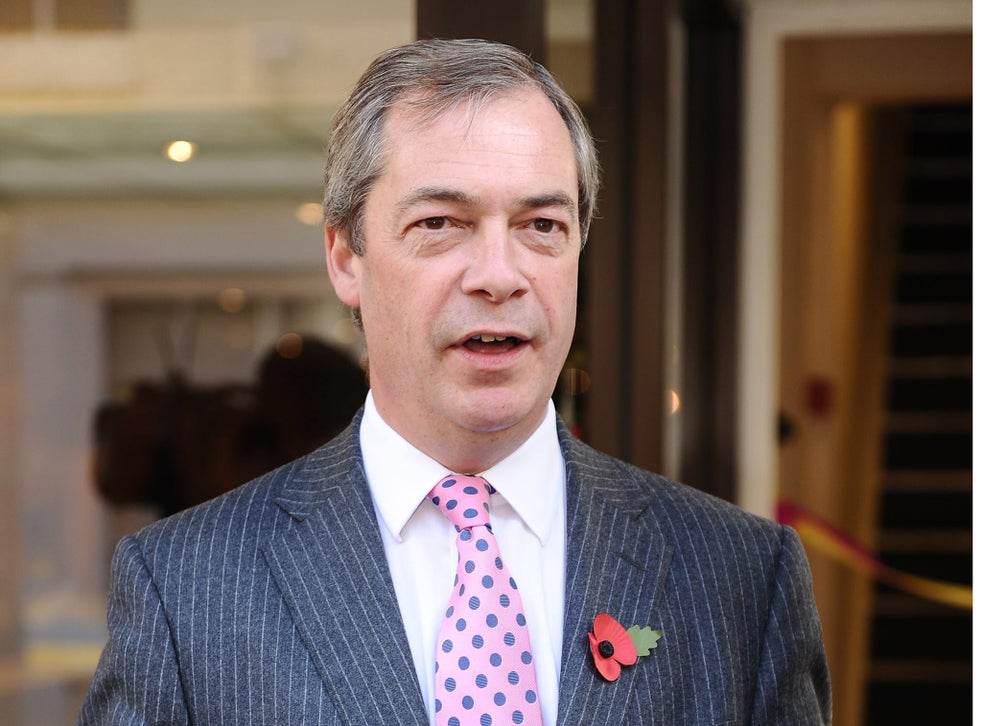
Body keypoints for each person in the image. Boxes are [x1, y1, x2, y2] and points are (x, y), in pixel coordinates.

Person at [79, 38, 831, 725]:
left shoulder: (742, 580)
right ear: (346, 258)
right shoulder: (186, 589)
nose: (500, 275)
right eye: (441, 223)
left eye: (542, 225)